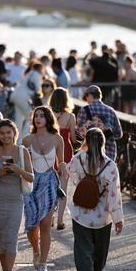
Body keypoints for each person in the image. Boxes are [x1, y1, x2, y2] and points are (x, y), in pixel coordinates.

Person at [67, 128, 124, 271]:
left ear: (86, 141)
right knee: (100, 252)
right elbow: (115, 194)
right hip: (102, 217)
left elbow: (72, 177)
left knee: (83, 250)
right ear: (103, 143)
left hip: (80, 214)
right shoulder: (110, 165)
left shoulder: (78, 159)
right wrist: (118, 219)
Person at [0, 119, 34, 271]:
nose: (5, 136)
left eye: (8, 132)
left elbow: (31, 177)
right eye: (2, 133)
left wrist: (17, 170)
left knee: (11, 234)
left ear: (14, 133)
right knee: (0, 235)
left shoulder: (22, 151)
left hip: (15, 199)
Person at [21, 106, 67, 271]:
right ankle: (35, 250)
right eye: (36, 116)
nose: (38, 118)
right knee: (31, 226)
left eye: (42, 116)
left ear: (48, 118)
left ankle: (43, 263)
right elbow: (22, 163)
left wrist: (63, 167)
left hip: (49, 181)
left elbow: (60, 162)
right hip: (31, 183)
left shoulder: (57, 139)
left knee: (46, 224)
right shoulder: (27, 140)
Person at [49, 88, 77, 229]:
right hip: (65, 150)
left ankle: (51, 218)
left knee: (51, 186)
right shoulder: (70, 117)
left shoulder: (48, 114)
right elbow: (73, 137)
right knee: (63, 186)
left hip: (50, 150)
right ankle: (60, 220)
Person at [76, 85, 123, 160]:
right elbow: (119, 134)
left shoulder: (84, 110)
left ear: (90, 95)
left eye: (86, 97)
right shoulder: (111, 111)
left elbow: (79, 134)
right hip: (109, 154)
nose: (86, 100)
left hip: (90, 153)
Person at [10, 62, 43, 141]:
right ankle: (25, 139)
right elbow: (38, 89)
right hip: (23, 97)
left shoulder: (29, 73)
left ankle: (17, 140)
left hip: (15, 96)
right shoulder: (36, 74)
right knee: (30, 117)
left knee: (19, 119)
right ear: (39, 69)